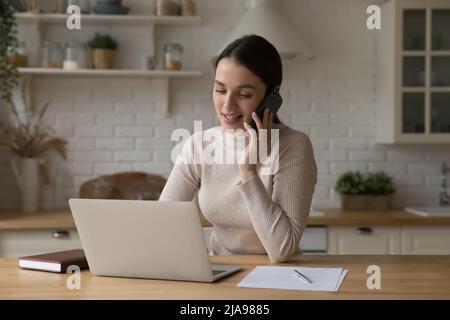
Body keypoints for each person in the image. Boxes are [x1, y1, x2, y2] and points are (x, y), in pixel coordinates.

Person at [159, 34, 317, 262]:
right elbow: (163, 223)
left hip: (280, 278)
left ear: (272, 95)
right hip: (219, 273)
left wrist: (248, 172)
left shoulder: (293, 146)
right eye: (220, 90)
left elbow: (282, 249)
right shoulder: (199, 145)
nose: (228, 105)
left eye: (244, 94)